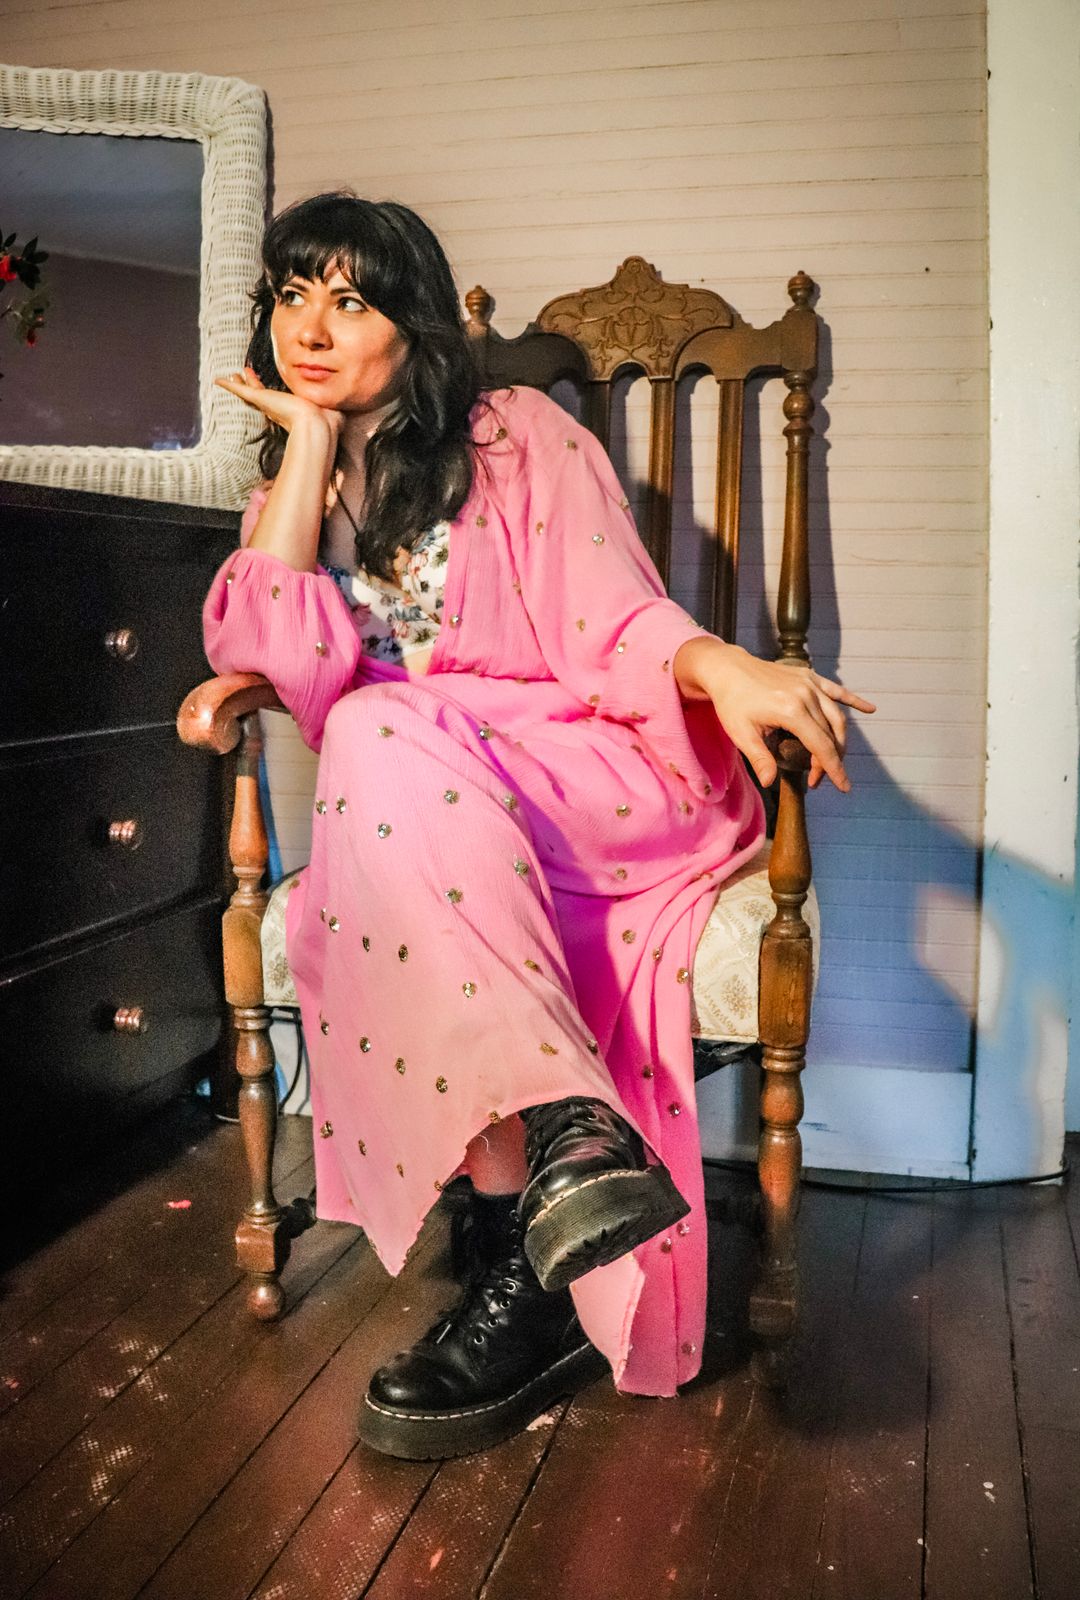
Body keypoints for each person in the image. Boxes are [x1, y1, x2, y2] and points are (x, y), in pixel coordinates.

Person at [203, 189, 874, 1461]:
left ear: (413, 323)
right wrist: (308, 443)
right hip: (424, 810)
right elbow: (274, 654)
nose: (311, 327)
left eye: (350, 300)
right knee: (371, 730)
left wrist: (723, 666)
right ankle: (563, 1174)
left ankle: (533, 1209)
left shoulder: (517, 436)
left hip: (581, 780)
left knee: (375, 730)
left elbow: (614, 619)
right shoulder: (293, 490)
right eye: (292, 296)